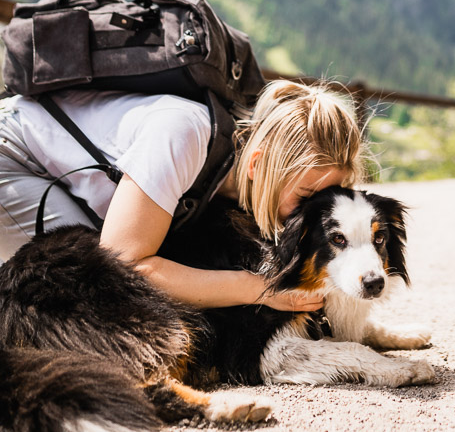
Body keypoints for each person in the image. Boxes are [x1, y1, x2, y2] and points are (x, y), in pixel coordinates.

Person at [0, 79, 365, 312]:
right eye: (306, 195)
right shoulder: (183, 136)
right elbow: (126, 265)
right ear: (257, 165)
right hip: (13, 156)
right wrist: (262, 290)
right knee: (87, 285)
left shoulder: (233, 164)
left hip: (51, 166)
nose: (317, 212)